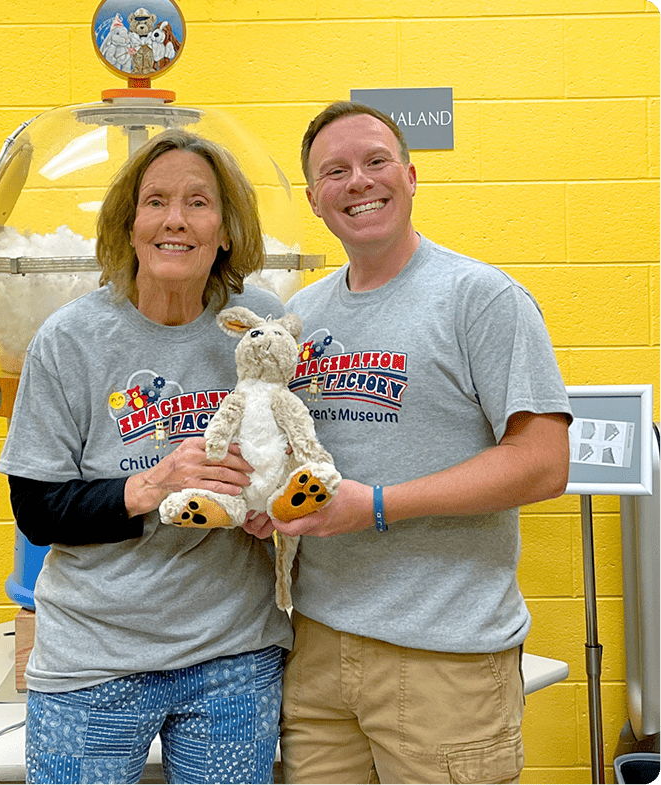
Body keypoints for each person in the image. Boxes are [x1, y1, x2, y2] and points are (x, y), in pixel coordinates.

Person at [243, 101, 573, 785]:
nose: (357, 181)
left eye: (375, 161)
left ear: (411, 175)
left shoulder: (480, 297)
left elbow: (542, 462)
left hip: (442, 656)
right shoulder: (302, 314)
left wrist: (380, 504)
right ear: (313, 198)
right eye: (334, 171)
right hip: (316, 646)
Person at [0, 129, 293, 785]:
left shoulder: (261, 324)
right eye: (155, 201)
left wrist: (274, 507)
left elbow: (296, 453)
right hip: (94, 658)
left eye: (198, 201)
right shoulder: (69, 340)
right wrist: (151, 485)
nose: (175, 220)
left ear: (224, 227)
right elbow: (38, 511)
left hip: (233, 655)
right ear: (127, 225)